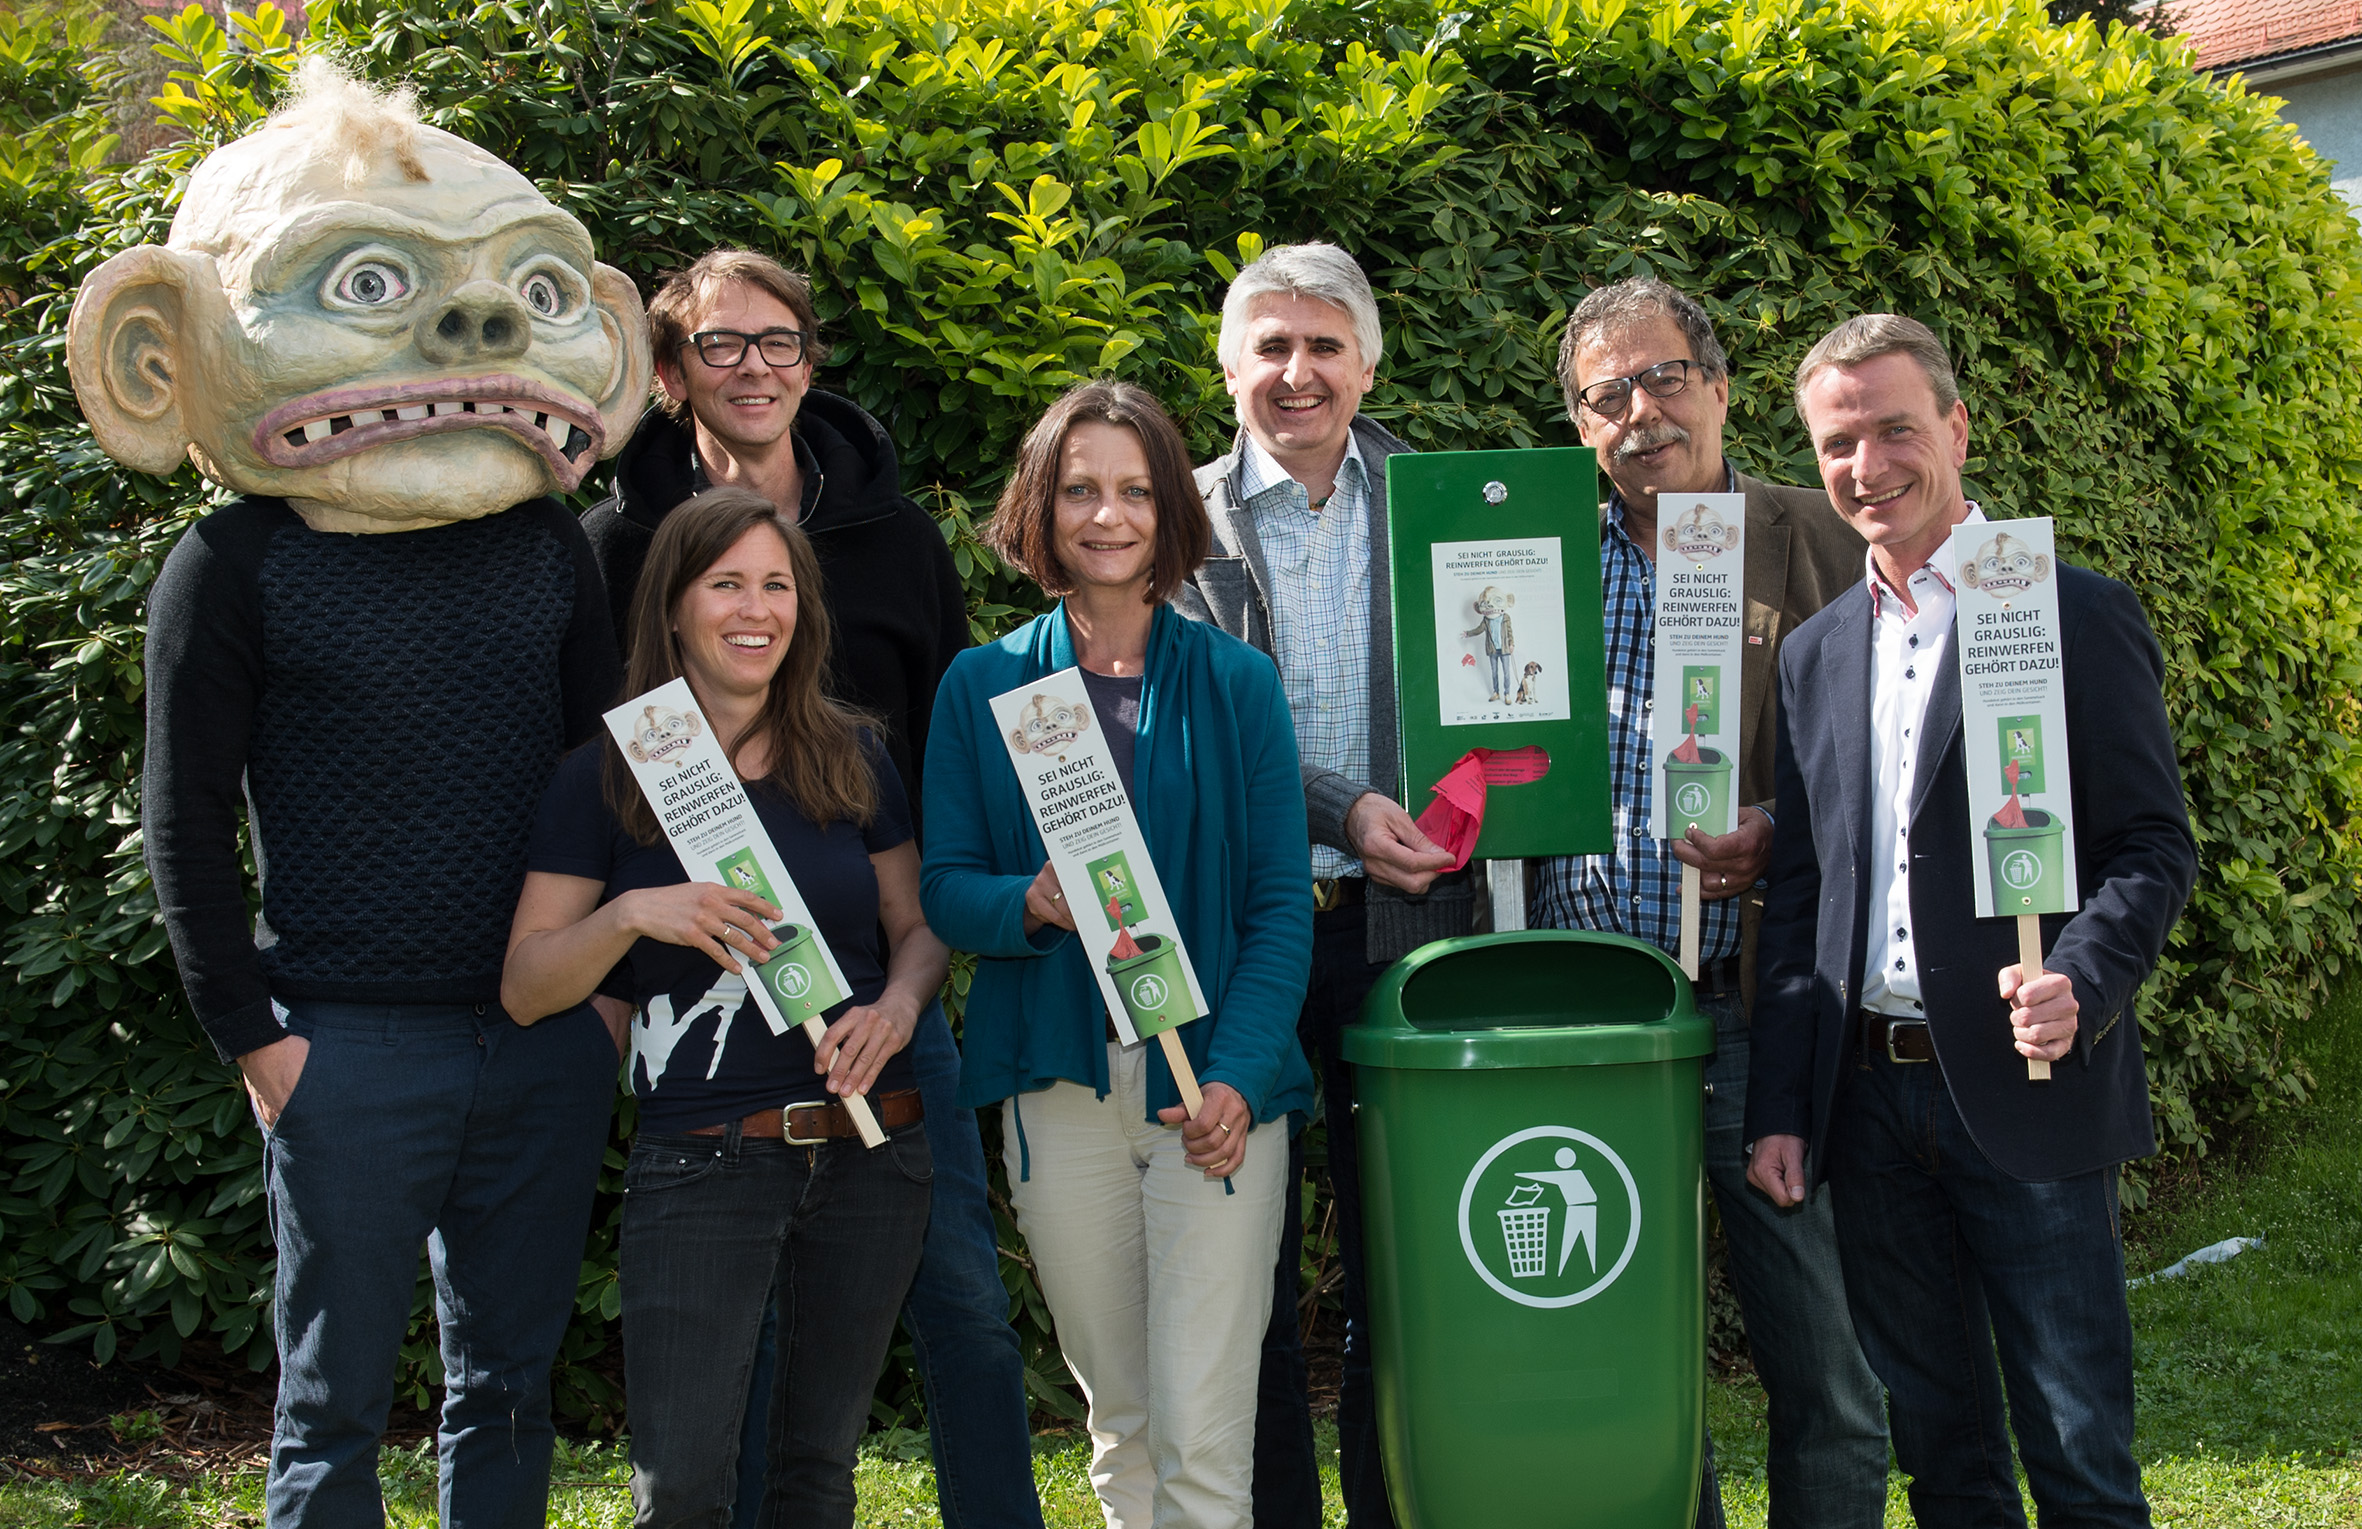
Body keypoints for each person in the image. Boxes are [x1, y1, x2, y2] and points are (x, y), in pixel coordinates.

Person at [97, 63, 650, 1527]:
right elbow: (182, 816)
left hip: (536, 1032)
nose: (470, 329)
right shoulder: (232, 564)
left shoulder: (547, 545)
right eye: (370, 281)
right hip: (343, 1039)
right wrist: (255, 1036)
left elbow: (605, 777)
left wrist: (603, 999)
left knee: (509, 1381)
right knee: (330, 1402)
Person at [580, 251, 1039, 1529]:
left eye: (777, 342)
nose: (753, 368)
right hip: (710, 997)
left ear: (809, 361)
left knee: (961, 1296)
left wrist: (922, 960)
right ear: (669, 375)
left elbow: (953, 746)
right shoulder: (616, 549)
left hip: (886, 997)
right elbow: (591, 773)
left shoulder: (895, 541)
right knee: (738, 1331)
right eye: (719, 345)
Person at [1747, 316, 2197, 1528]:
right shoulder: (1817, 651)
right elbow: (1804, 893)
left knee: (2079, 1459)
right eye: (1837, 443)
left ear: (1955, 427)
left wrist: (2083, 979)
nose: (1867, 466)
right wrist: (1783, 1104)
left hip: (2024, 1080)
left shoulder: (2068, 612)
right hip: (1867, 1103)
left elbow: (2152, 846)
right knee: (1943, 1463)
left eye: (1894, 428)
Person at [505, 487, 947, 1529]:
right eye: (727, 584)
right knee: (682, 1486)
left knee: (817, 1473)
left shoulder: (852, 753)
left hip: (871, 1148)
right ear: (672, 606)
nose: (756, 609)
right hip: (704, 1158)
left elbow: (919, 928)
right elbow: (526, 985)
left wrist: (897, 1006)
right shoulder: (606, 775)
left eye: (777, 585)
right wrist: (632, 913)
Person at [920, 381, 1315, 1529]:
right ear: (1039, 508)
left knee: (1204, 1431)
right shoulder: (985, 684)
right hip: (1058, 1084)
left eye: (1135, 490)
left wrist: (1238, 1074)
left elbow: (1278, 905)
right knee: (1124, 1420)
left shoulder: (1236, 683)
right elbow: (946, 888)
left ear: (1170, 508)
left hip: (1213, 1090)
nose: (1108, 515)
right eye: (1080, 489)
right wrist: (1029, 901)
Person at [1528, 278, 1887, 1528]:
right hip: (1586, 1015)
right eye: (1606, 393)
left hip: (1756, 1007)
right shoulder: (1534, 560)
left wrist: (1780, 830)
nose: (1640, 411)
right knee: (1622, 1348)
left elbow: (1900, 749)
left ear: (1721, 388)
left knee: (1824, 1362)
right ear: (1580, 425)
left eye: (1664, 377)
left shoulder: (1823, 537)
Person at [1175, 241, 1466, 1529]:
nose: (1298, 372)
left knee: (1404, 1263)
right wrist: (1342, 803)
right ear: (1229, 367)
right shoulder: (1169, 518)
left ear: (1367, 367)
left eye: (1325, 346)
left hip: (1409, 933)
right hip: (1242, 937)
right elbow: (1199, 724)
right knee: (1243, 1262)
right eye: (1272, 346)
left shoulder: (1449, 508)